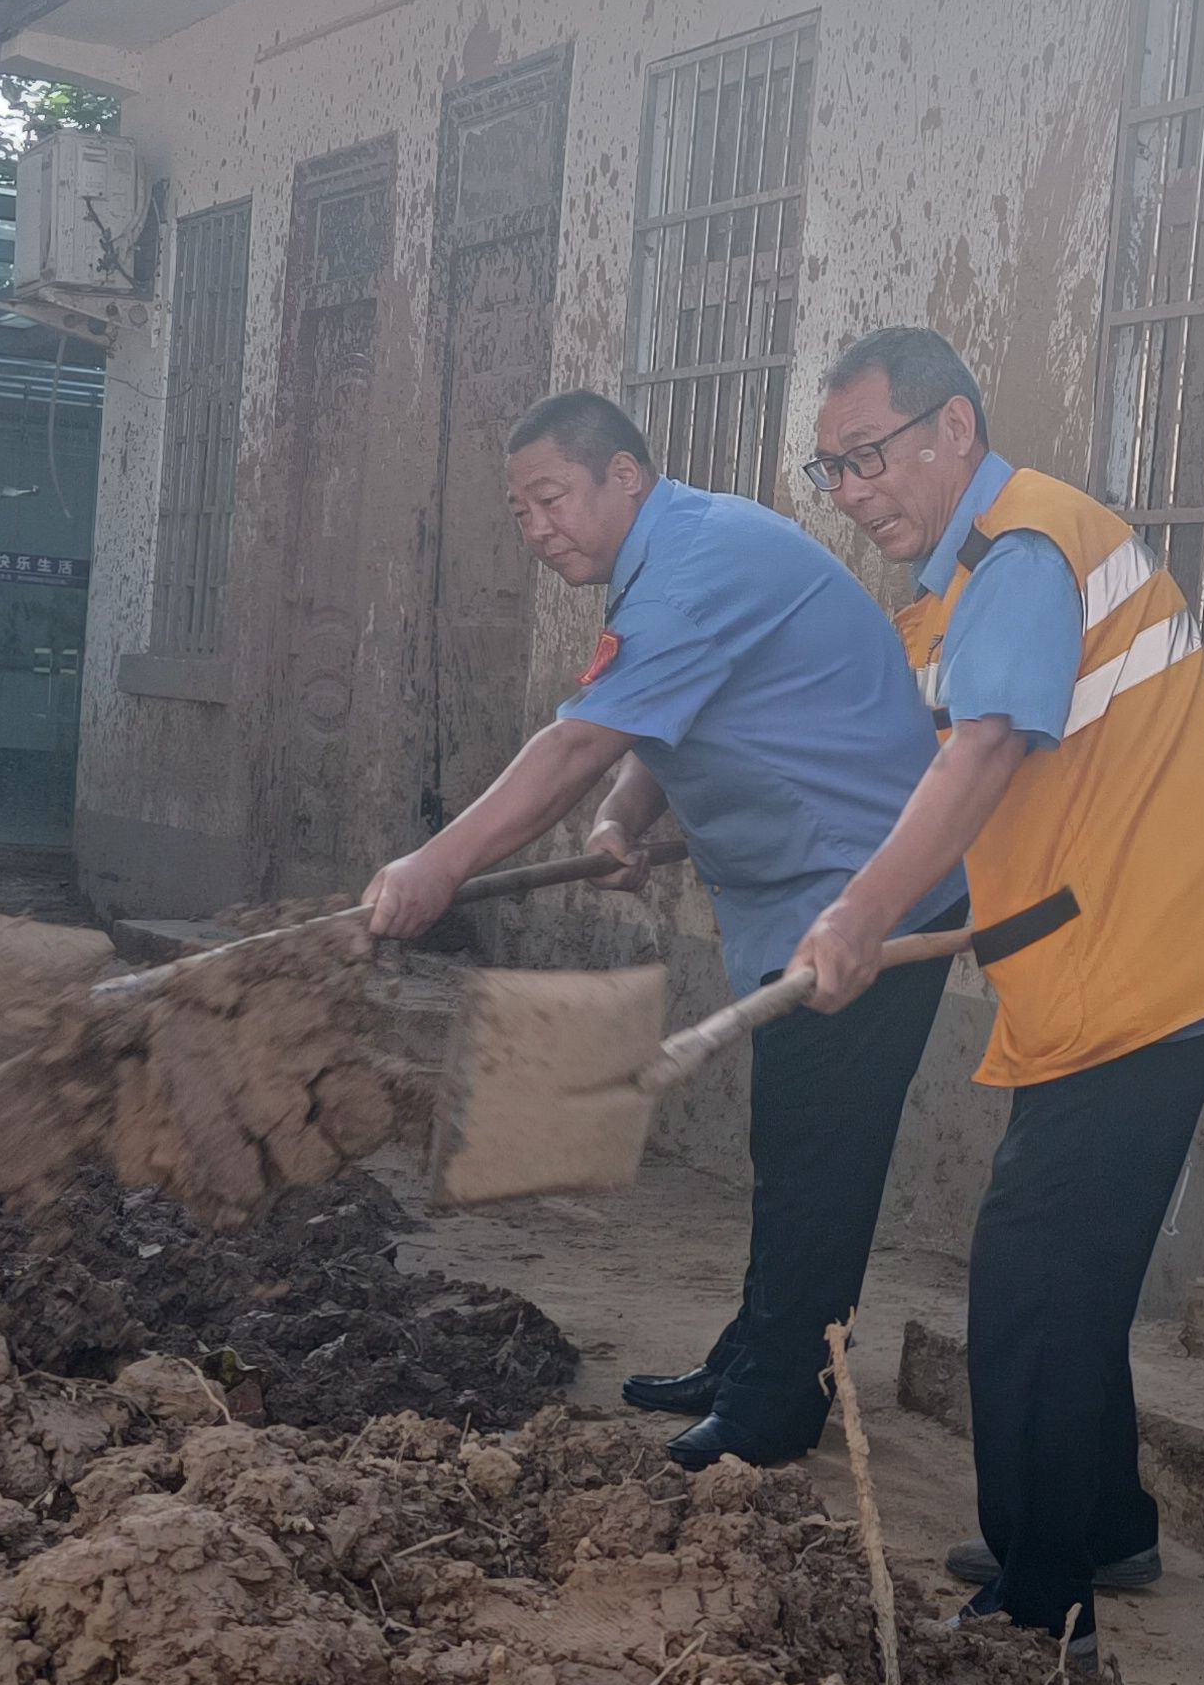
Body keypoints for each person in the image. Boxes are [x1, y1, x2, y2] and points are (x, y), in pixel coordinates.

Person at [786, 327, 1204, 1673]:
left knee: (1029, 1288)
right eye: (832, 468)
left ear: (953, 429)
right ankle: (1105, 1521)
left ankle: (1037, 1602)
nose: (855, 489)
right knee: (1074, 1272)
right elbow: (937, 768)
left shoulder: (1020, 553)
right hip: (1111, 968)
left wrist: (858, 916)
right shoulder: (974, 579)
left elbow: (990, 749)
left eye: (870, 455)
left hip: (1141, 970)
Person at [366, 391, 962, 1467]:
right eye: (521, 513)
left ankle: (776, 1408)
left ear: (624, 478)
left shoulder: (696, 562)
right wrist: (622, 818)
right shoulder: (675, 559)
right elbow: (668, 710)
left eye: (552, 498)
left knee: (817, 1159)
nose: (539, 528)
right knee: (792, 1149)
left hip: (870, 895)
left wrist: (438, 865)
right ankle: (755, 1355)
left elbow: (576, 745)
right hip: (800, 893)